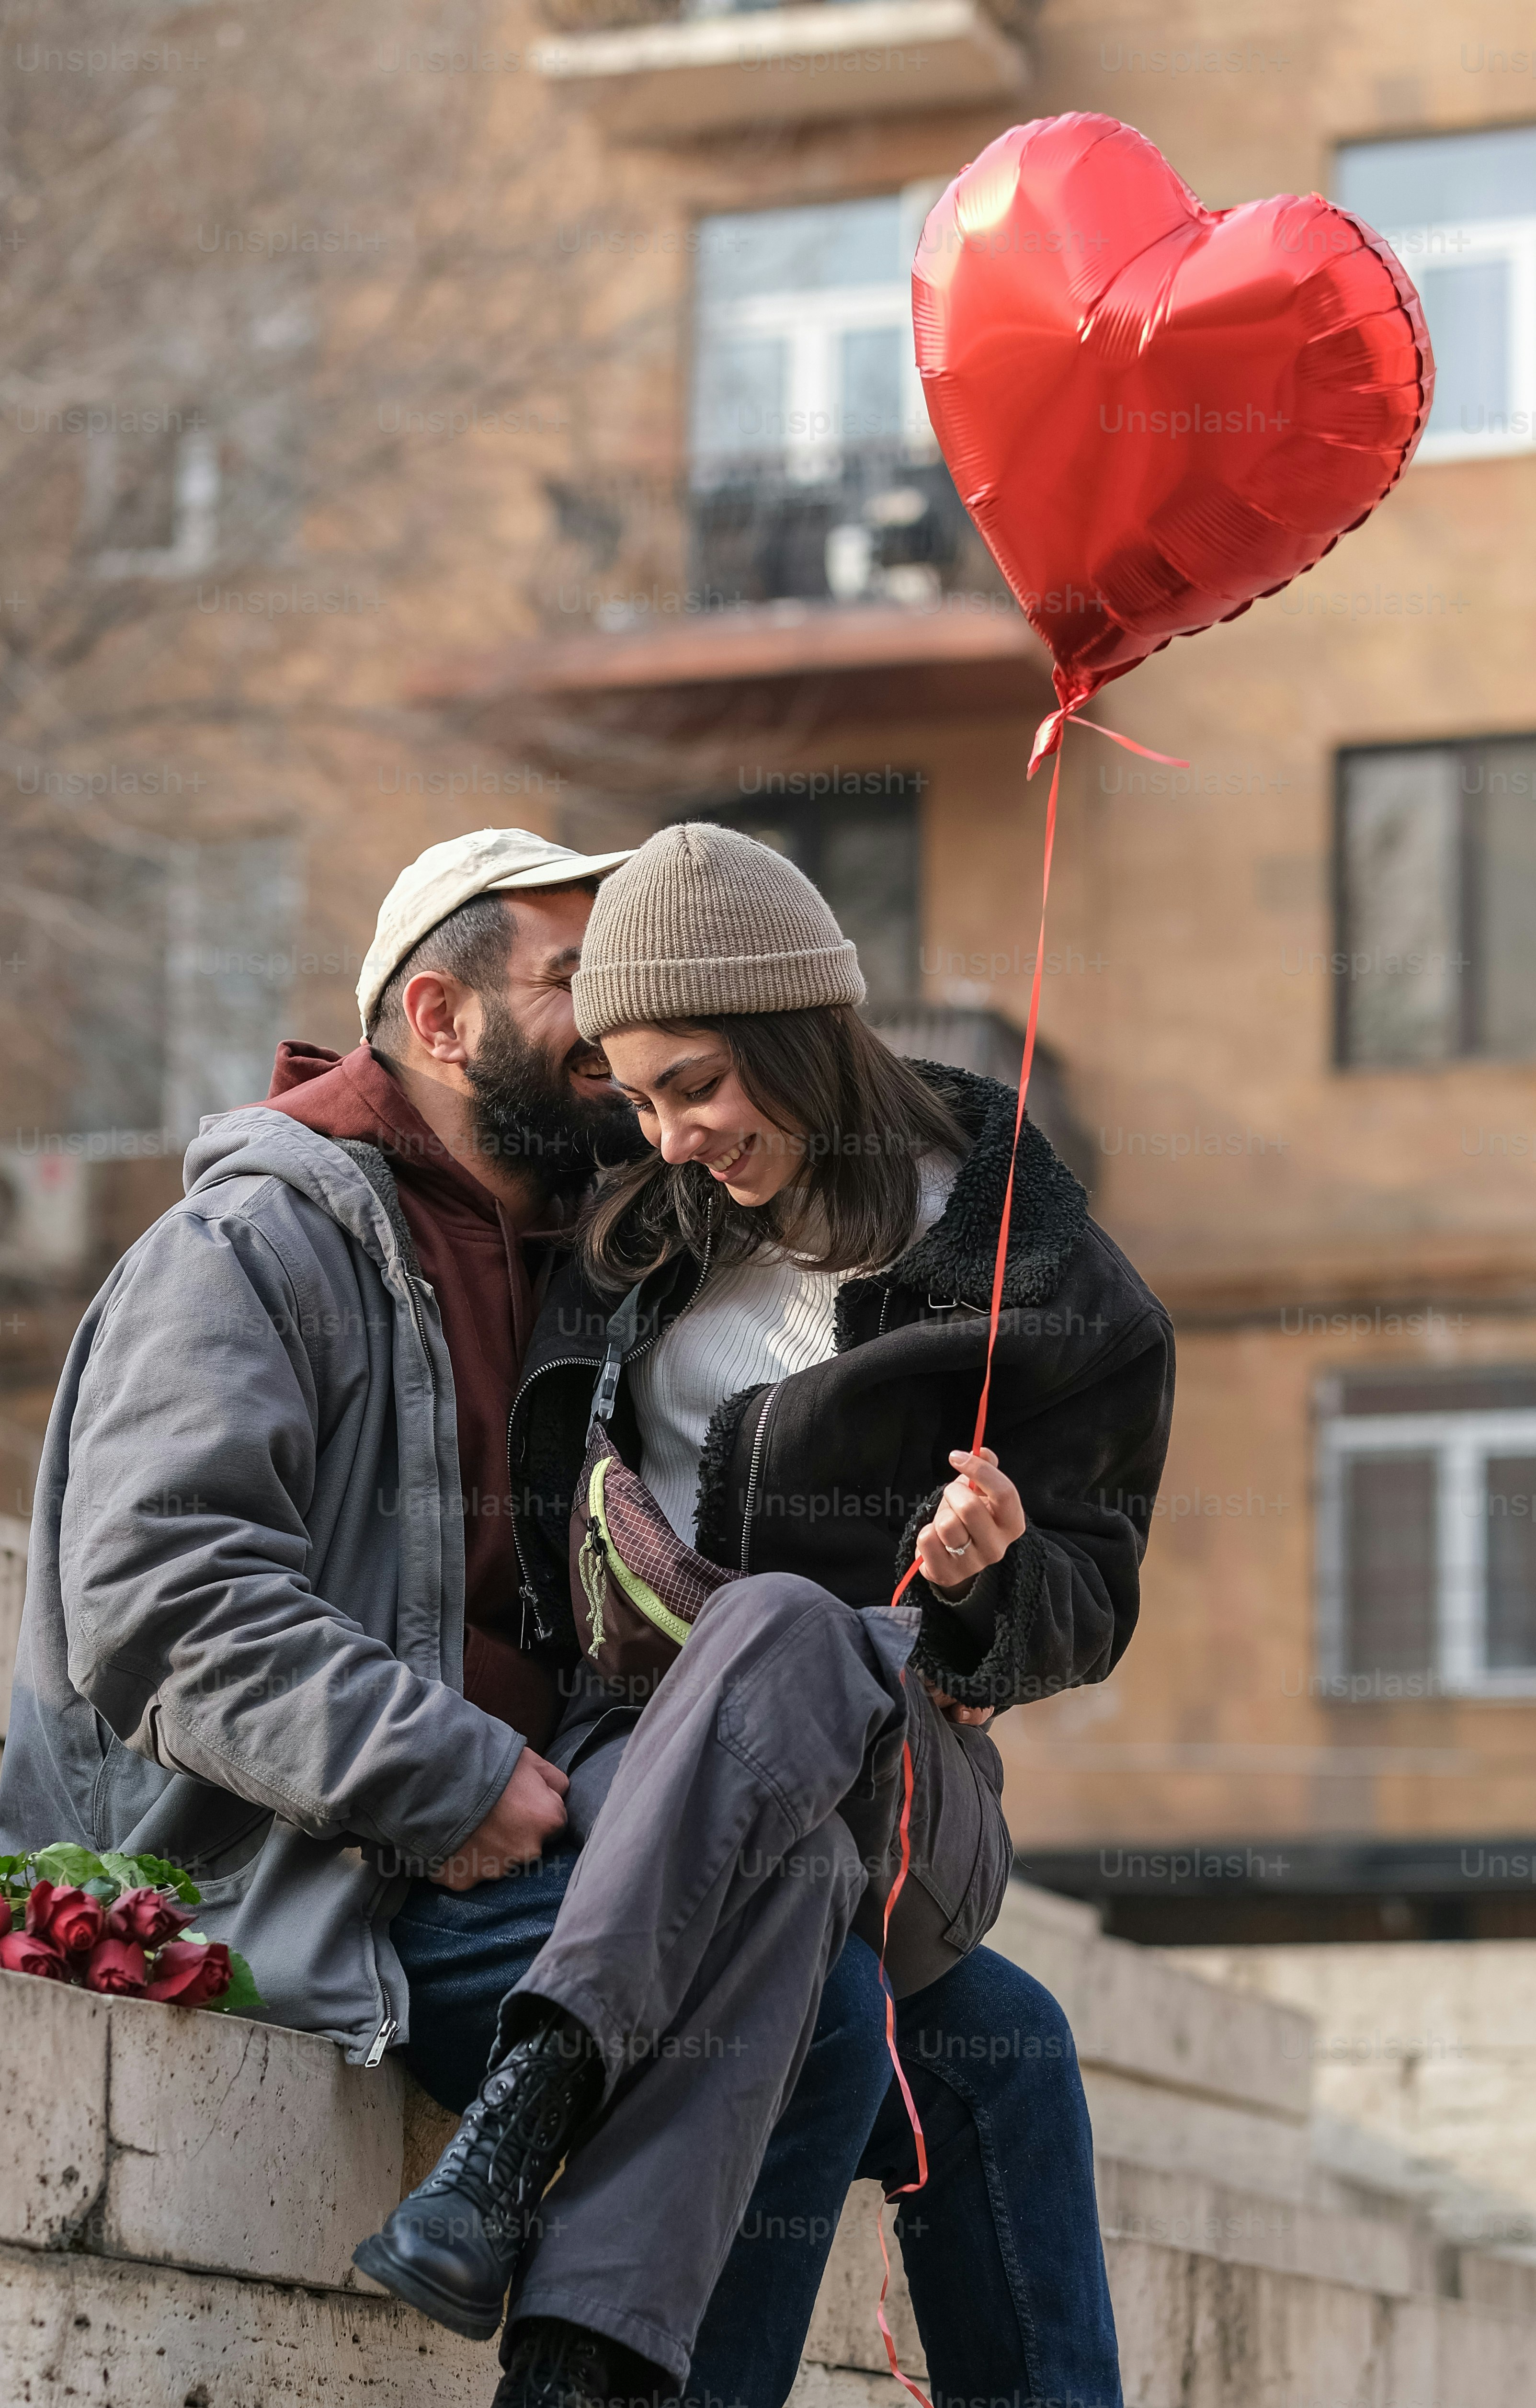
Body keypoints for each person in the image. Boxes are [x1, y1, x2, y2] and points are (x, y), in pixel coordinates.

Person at [358, 823, 1176, 2408]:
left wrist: (991, 1580)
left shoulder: (1033, 1270)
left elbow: (1096, 1590)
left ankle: (532, 2103)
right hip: (635, 1770)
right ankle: (593, 2371)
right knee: (997, 2053)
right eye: (639, 1094)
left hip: (899, 1787)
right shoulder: (641, 1221)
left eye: (700, 1086)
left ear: (801, 1028)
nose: (667, 1134)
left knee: (794, 1626)